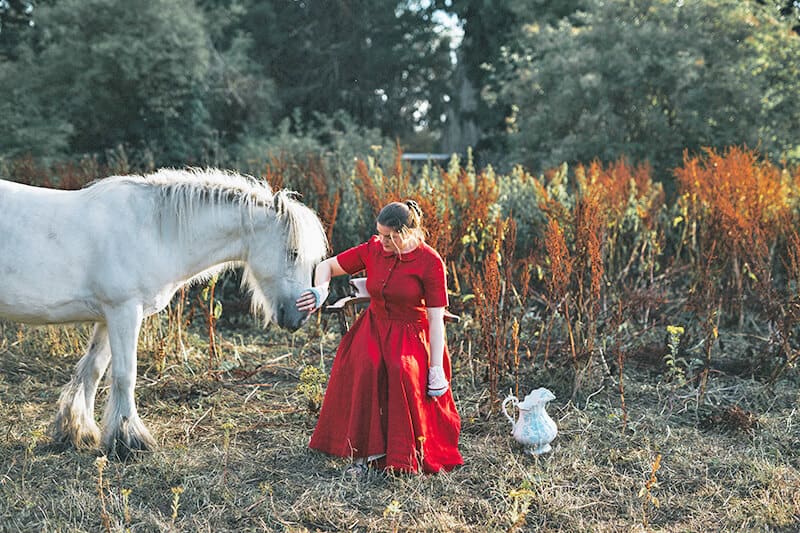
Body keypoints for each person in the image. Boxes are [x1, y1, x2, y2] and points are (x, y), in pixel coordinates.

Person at [296, 200, 463, 475]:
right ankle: (363, 454)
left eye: (390, 236)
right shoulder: (373, 249)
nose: (382, 240)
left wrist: (436, 369)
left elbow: (435, 320)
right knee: (365, 364)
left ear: (408, 232)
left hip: (412, 333)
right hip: (374, 326)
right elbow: (326, 267)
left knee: (400, 369)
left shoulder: (430, 261)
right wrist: (320, 291)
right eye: (380, 233)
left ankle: (398, 453)